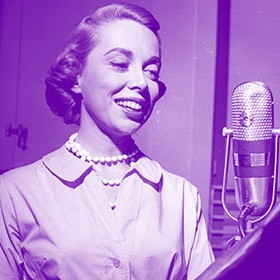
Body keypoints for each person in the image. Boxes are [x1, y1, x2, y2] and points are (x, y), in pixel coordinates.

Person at [0, 3, 214, 279]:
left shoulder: (182, 197)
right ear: (76, 76)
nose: (141, 82)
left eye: (151, 70)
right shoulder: (14, 193)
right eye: (120, 64)